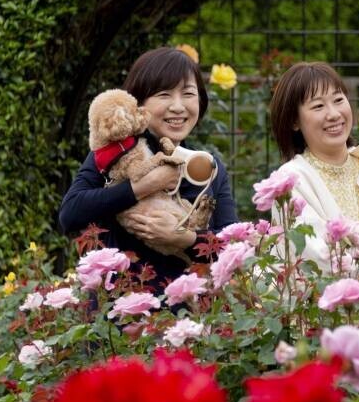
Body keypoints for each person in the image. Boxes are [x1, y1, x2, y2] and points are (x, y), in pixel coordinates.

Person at [59, 47, 238, 288]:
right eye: (164, 94)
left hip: (194, 315)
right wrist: (142, 187)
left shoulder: (209, 167)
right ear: (139, 103)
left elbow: (232, 248)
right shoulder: (117, 154)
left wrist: (186, 239)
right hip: (122, 313)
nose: (178, 107)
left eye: (188, 93)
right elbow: (69, 214)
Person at [267, 61, 359, 280]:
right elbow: (317, 262)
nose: (334, 114)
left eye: (338, 100)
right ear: (294, 121)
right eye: (318, 106)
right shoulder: (289, 182)